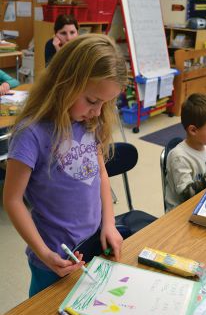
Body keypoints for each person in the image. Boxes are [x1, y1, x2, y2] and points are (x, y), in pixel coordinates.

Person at [4, 34, 128, 296]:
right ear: (65, 82)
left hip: (92, 243)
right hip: (53, 258)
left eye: (105, 103)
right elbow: (13, 200)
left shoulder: (88, 121)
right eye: (93, 101)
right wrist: (44, 253)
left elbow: (100, 175)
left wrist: (109, 224)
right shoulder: (31, 133)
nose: (97, 111)